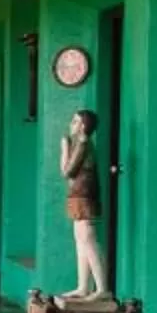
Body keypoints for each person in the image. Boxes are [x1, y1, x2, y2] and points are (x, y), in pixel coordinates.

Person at [61, 108, 111, 302]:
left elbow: (67, 171)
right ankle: (83, 286)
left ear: (83, 126)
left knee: (88, 241)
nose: (71, 125)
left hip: (84, 197)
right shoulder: (81, 144)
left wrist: (64, 148)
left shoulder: (83, 143)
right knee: (80, 241)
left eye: (74, 121)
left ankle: (102, 289)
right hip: (78, 197)